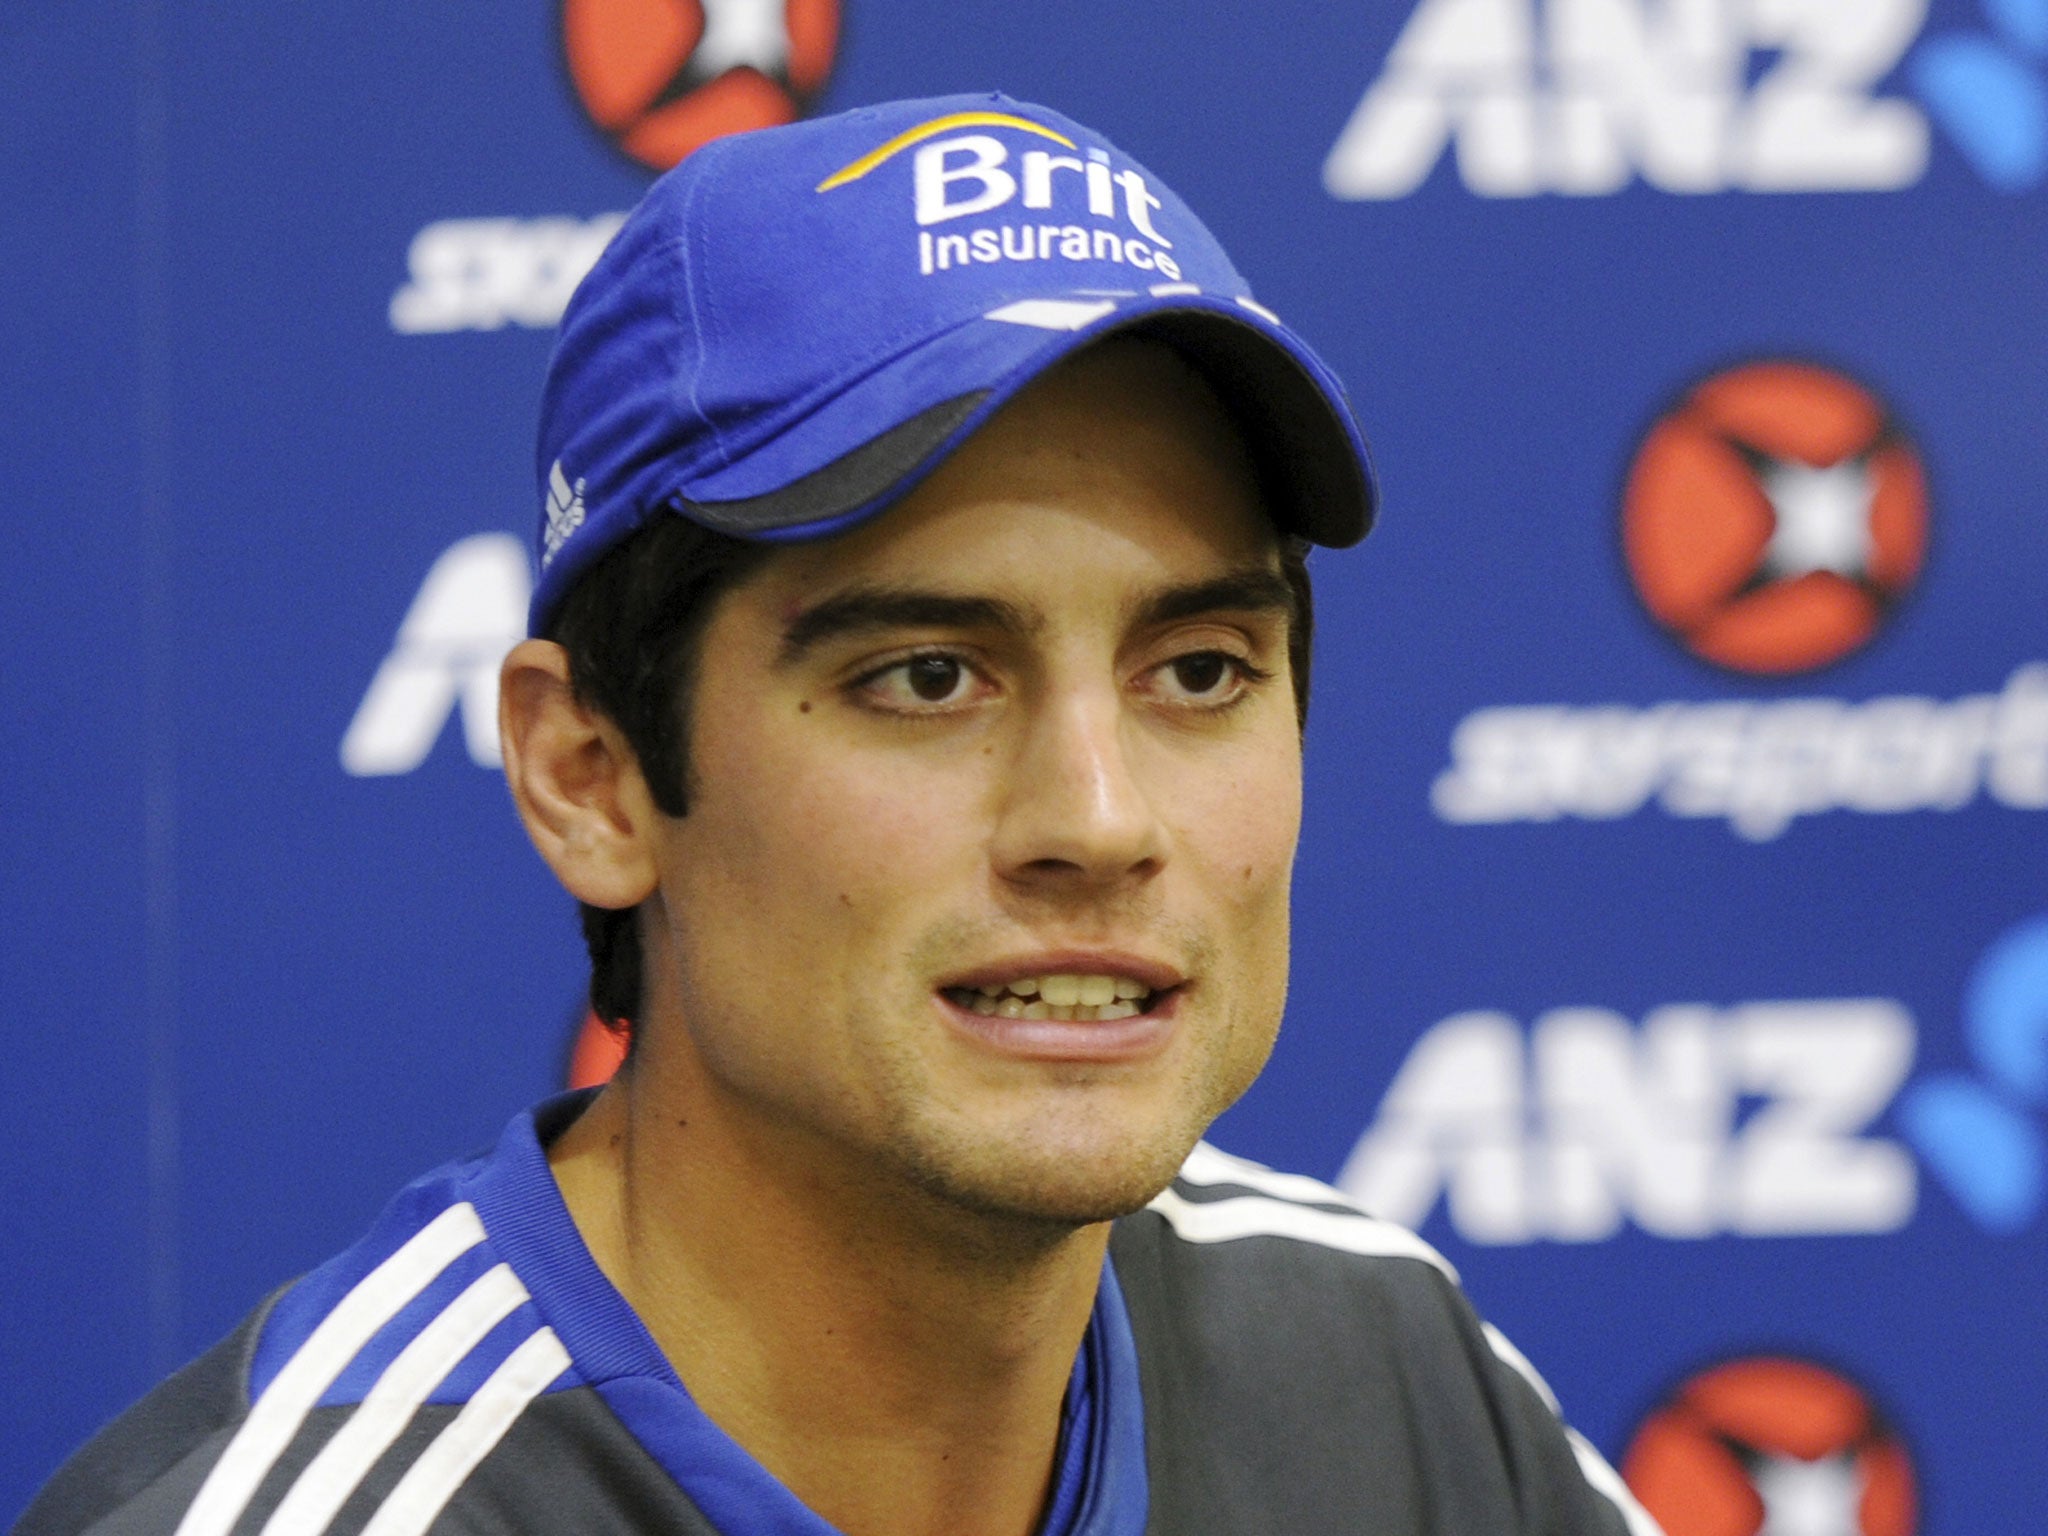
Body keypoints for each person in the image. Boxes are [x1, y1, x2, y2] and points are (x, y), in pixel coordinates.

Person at [18, 94, 1659, 1536]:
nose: (1097, 819)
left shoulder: (1375, 1364)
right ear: (588, 778)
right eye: (931, 676)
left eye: (1203, 669)